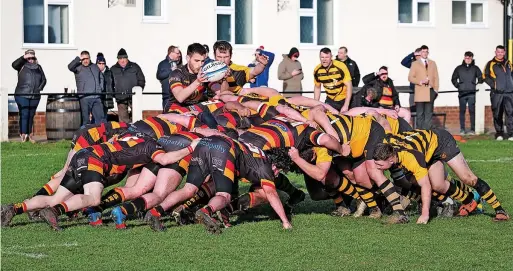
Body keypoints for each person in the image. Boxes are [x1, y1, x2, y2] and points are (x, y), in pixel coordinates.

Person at [145, 135, 292, 233]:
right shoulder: (265, 165)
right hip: (224, 149)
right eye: (279, 169)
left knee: (189, 189)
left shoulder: (259, 155)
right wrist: (285, 222)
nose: (278, 173)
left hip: (205, 143)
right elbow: (271, 194)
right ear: (275, 164)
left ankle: (155, 212)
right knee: (224, 195)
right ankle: (206, 211)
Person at [384, 129, 509, 221]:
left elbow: (425, 186)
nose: (377, 168)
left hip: (441, 142)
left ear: (389, 159)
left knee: (468, 178)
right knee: (438, 185)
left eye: (380, 165)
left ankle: (499, 210)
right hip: (426, 151)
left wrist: (425, 214)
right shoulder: (384, 145)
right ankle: (469, 201)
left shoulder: (409, 157)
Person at [12, 49, 46, 143]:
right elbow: (14, 64)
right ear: (26, 58)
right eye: (28, 58)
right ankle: (23, 135)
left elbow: (44, 79)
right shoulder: (21, 66)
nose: (30, 59)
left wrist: (39, 88)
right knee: (24, 114)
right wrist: (23, 58)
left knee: (31, 115)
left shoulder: (38, 67)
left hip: (35, 96)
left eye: (32, 58)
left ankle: (29, 135)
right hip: (22, 94)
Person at [166, 43, 209, 111]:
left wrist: (223, 78)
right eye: (196, 61)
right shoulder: (177, 73)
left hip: (195, 111)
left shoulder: (206, 73)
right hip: (175, 111)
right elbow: (180, 97)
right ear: (188, 58)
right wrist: (198, 81)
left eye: (202, 61)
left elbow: (219, 92)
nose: (200, 64)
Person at [483, 45, 513, 141]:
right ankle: (499, 133)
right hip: (497, 94)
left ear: (504, 53)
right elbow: (485, 76)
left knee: (510, 113)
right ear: (495, 52)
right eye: (498, 52)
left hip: (509, 93)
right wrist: (494, 85)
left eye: (502, 52)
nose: (500, 54)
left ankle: (511, 134)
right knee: (497, 113)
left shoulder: (509, 63)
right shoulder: (490, 64)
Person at [68, 50, 105, 125]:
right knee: (86, 120)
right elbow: (70, 67)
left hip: (96, 97)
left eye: (87, 58)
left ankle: (101, 135)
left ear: (89, 58)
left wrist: (100, 89)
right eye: (83, 59)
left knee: (101, 119)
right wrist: (78, 59)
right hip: (84, 98)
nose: (85, 61)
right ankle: (85, 136)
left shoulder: (94, 66)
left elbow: (101, 77)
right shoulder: (78, 68)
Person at [451, 51, 483, 135]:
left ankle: (472, 129)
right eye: (466, 57)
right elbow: (453, 79)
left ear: (472, 59)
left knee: (472, 111)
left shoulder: (475, 68)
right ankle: (462, 129)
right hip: (462, 93)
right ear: (464, 58)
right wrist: (459, 86)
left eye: (469, 58)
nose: (467, 59)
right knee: (462, 111)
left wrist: (476, 86)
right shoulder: (459, 68)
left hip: (472, 93)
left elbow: (481, 78)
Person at [110, 48, 146, 123]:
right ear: (118, 59)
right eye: (120, 58)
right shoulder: (113, 69)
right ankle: (125, 133)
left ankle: (137, 131)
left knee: (137, 117)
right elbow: (110, 83)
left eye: (124, 58)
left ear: (127, 58)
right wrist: (114, 93)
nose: (122, 60)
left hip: (134, 97)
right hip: (120, 97)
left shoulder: (135, 66)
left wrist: (138, 91)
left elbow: (141, 80)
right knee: (123, 119)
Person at [408, 45, 439, 129]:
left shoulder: (432, 63)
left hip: (430, 91)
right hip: (420, 91)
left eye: (426, 52)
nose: (425, 53)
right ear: (420, 53)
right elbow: (410, 78)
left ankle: (427, 133)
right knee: (420, 114)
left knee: (428, 114)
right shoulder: (415, 64)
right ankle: (420, 133)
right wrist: (420, 82)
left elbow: (436, 77)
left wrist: (436, 90)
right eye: (423, 52)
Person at [313, 47, 352, 113]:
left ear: (331, 57)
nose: (324, 60)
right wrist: (315, 104)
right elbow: (317, 87)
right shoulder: (317, 70)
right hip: (330, 99)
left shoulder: (340, 66)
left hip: (344, 98)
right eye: (322, 57)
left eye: (327, 57)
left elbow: (349, 85)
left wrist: (346, 105)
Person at [157, 45, 181, 111]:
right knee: (167, 116)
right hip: (167, 96)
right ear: (171, 53)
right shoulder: (163, 64)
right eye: (177, 53)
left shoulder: (178, 64)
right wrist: (171, 70)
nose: (179, 55)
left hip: (178, 95)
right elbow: (159, 76)